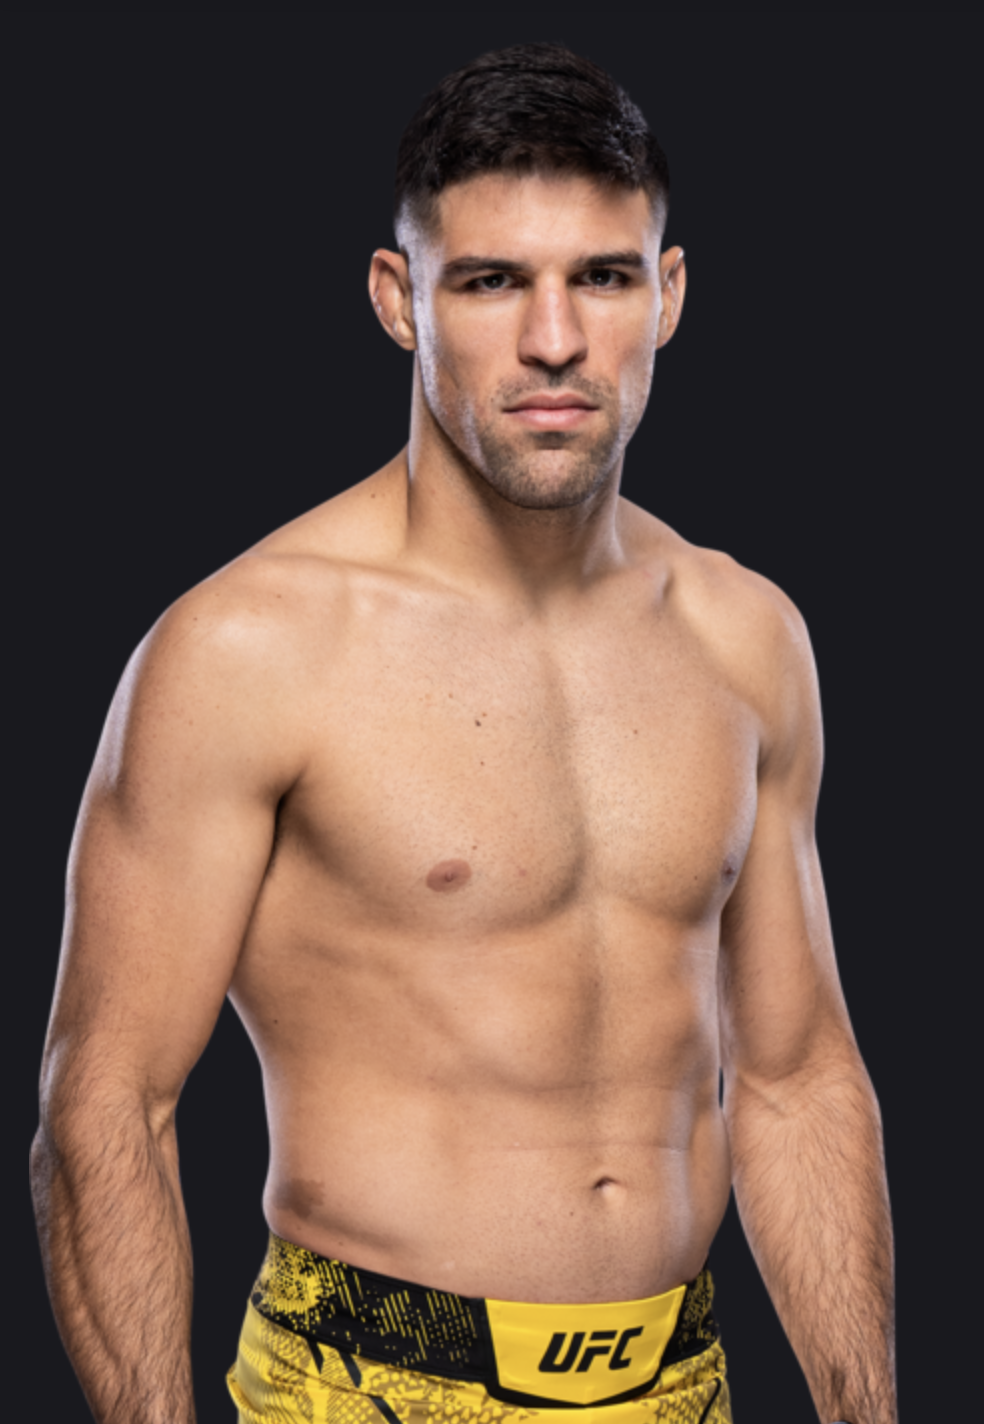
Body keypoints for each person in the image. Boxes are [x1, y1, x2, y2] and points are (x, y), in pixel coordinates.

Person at [31, 42, 896, 1424]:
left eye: (602, 277)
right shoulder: (249, 648)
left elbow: (797, 1078)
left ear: (668, 294)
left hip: (682, 1383)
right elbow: (106, 1104)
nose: (554, 340)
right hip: (367, 1384)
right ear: (400, 299)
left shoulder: (746, 637)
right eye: (490, 281)